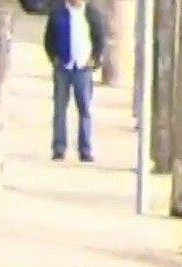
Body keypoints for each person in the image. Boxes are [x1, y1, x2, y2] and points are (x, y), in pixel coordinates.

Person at [43, 0, 105, 162]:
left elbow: (100, 38)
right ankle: (59, 148)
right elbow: (48, 39)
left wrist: (94, 59)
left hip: (83, 68)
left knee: (85, 109)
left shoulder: (92, 13)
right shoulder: (57, 13)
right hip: (63, 67)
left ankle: (85, 150)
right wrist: (54, 59)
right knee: (60, 109)